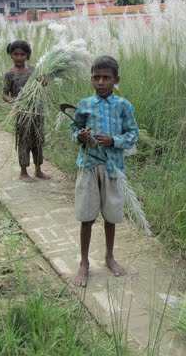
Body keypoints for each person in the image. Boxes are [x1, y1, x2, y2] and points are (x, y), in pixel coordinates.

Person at [69, 56, 139, 287]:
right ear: (91, 78)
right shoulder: (84, 104)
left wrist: (113, 140)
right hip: (88, 166)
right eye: (96, 77)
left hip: (113, 168)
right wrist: (80, 136)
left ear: (116, 79)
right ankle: (84, 263)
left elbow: (133, 135)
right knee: (86, 217)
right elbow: (74, 127)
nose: (100, 82)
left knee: (111, 215)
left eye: (106, 78)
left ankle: (109, 256)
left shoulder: (123, 106)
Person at [3, 40, 50, 183]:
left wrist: (43, 81)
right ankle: (23, 172)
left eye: (22, 54)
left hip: (37, 111)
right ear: (11, 55)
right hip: (22, 112)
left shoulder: (34, 70)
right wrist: (12, 100)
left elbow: (43, 85)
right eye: (15, 54)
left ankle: (38, 169)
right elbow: (4, 94)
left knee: (38, 140)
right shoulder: (9, 74)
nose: (19, 57)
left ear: (27, 55)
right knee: (23, 141)